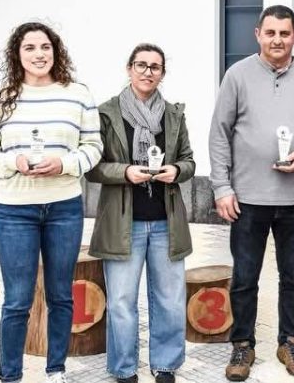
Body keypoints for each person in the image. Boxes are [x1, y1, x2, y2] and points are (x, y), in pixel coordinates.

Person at [209, 4, 294, 381]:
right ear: (258, 34)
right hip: (247, 199)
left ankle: (291, 342)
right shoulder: (237, 75)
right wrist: (222, 187)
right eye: (270, 33)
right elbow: (219, 134)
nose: (277, 40)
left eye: (285, 33)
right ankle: (242, 344)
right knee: (245, 277)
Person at [0, 22, 103, 383]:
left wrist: (64, 164)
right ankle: (10, 376)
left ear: (55, 51)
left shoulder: (77, 95)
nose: (39, 54)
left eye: (45, 46)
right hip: (15, 211)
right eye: (29, 47)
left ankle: (55, 370)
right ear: (17, 55)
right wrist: (11, 162)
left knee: (61, 296)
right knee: (17, 299)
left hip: (64, 208)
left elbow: (93, 147)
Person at [86, 43, 195, 383]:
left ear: (163, 73)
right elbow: (93, 167)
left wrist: (177, 170)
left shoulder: (173, 114)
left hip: (166, 222)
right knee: (121, 301)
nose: (148, 72)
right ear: (129, 68)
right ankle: (123, 369)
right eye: (141, 65)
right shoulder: (106, 113)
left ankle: (165, 365)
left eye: (155, 67)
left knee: (171, 300)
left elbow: (189, 160)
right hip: (123, 224)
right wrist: (125, 172)